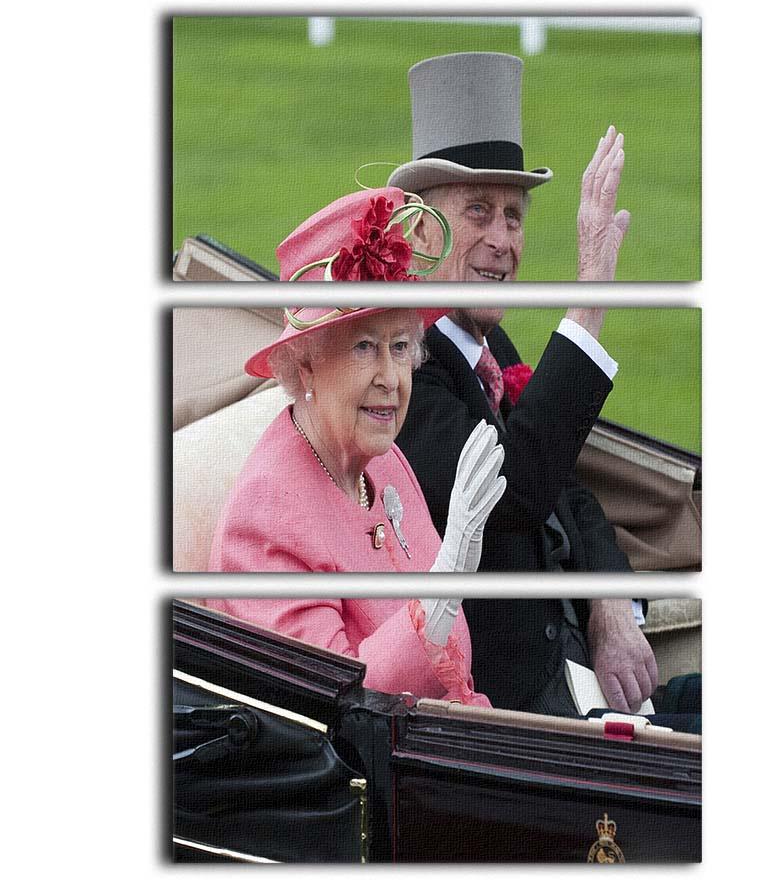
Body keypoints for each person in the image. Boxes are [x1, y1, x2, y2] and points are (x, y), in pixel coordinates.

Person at [390, 53, 657, 715]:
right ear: (422, 231)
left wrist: (609, 605)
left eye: (513, 216)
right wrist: (588, 296)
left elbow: (565, 484)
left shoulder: (486, 344)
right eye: (477, 212)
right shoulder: (402, 372)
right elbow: (513, 492)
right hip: (517, 713)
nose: (502, 240)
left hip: (583, 676)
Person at [205, 188, 506, 706]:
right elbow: (337, 715)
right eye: (364, 347)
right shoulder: (265, 524)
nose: (391, 378)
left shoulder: (383, 462)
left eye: (399, 347)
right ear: (305, 366)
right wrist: (442, 589)